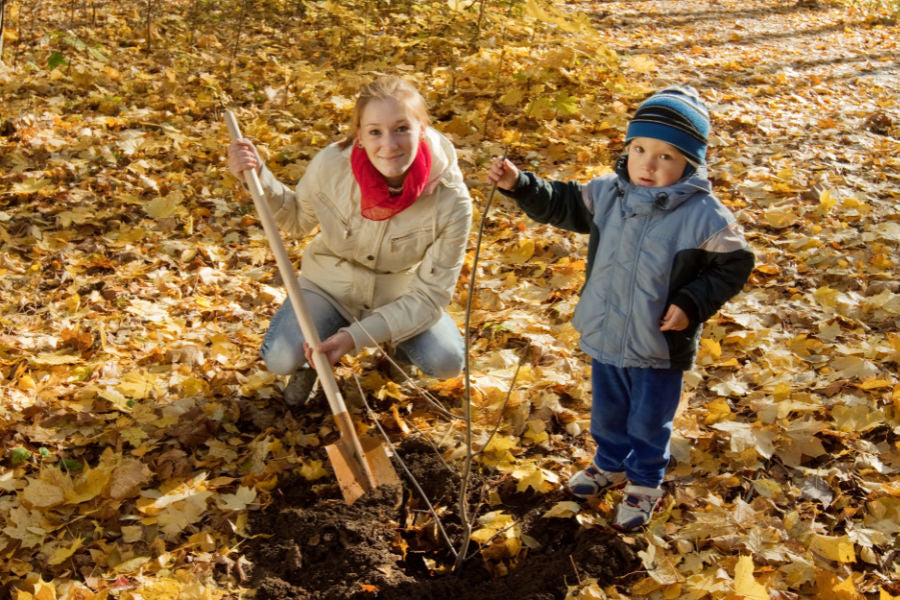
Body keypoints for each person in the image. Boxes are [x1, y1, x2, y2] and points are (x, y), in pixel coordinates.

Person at [487, 87, 754, 531]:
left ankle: (646, 480)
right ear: (627, 149)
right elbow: (561, 202)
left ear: (690, 163)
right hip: (609, 331)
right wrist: (521, 185)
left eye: (666, 156)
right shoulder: (608, 195)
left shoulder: (704, 215)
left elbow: (735, 265)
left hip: (657, 341)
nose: (648, 164)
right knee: (608, 411)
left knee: (649, 418)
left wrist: (690, 303)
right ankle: (609, 462)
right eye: (640, 149)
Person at [227, 76, 472, 405]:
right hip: (328, 287)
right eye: (375, 131)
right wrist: (258, 176)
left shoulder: (451, 200)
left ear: (422, 128)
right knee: (281, 358)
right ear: (359, 135)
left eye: (402, 128)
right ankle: (309, 363)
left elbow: (429, 298)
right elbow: (297, 220)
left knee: (446, 360)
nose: (389, 144)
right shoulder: (331, 165)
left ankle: (397, 352)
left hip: (397, 295)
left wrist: (354, 338)